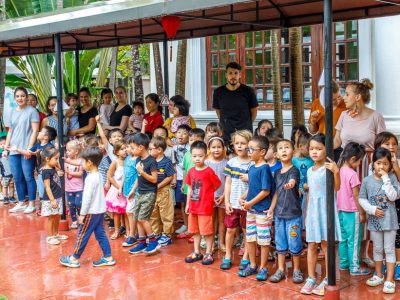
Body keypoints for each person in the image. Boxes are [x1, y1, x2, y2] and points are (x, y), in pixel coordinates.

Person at [59, 147, 116, 268]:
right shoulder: (99, 175)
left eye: (83, 162)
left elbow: (87, 199)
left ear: (89, 163)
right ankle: (108, 257)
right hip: (99, 210)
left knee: (82, 234)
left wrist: (82, 214)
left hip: (91, 212)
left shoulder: (90, 178)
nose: (82, 164)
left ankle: (74, 258)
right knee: (100, 234)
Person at [300, 134, 341, 296]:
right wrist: (307, 213)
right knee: (311, 245)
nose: (314, 152)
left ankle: (327, 277)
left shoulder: (329, 168)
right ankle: (311, 278)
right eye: (311, 149)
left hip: (326, 210)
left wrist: (336, 172)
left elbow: (336, 188)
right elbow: (310, 194)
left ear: (326, 149)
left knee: (326, 245)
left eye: (318, 149)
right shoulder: (310, 170)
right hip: (313, 212)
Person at [359, 148, 400, 294]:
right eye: (378, 163)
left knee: (389, 250)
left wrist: (386, 179)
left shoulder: (392, 178)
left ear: (390, 166)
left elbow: (393, 196)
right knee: (377, 248)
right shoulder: (367, 181)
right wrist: (371, 209)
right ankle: (379, 275)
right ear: (373, 164)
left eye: (385, 164)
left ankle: (390, 280)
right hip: (375, 221)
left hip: (390, 222)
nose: (381, 167)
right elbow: (361, 198)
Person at [268, 139, 304, 284]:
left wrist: (291, 184)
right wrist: (271, 209)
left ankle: (296, 269)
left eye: (287, 147)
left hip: (293, 214)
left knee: (294, 242)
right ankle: (281, 269)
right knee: (280, 243)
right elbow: (276, 192)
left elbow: (293, 180)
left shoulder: (294, 170)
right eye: (281, 148)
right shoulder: (276, 173)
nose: (284, 150)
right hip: (279, 215)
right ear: (276, 154)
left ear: (293, 151)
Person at [238, 135, 273, 281]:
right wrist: (243, 197)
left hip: (261, 210)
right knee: (250, 238)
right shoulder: (252, 167)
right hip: (251, 210)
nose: (249, 151)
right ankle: (252, 265)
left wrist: (250, 203)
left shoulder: (264, 168)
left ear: (263, 152)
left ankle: (263, 267)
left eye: (252, 149)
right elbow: (252, 186)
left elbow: (266, 191)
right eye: (248, 149)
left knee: (263, 241)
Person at [220, 130, 253, 271]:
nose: (239, 146)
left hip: (247, 204)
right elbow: (227, 183)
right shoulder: (231, 162)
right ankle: (228, 255)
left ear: (249, 145)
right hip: (233, 203)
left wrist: (249, 178)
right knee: (230, 230)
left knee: (247, 231)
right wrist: (226, 201)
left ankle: (246, 256)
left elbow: (256, 184)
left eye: (243, 143)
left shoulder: (253, 163)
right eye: (237, 143)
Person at [184, 141, 221, 265]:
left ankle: (209, 252)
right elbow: (189, 187)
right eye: (194, 156)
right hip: (193, 207)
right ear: (191, 156)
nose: (197, 158)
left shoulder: (209, 171)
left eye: (200, 156)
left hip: (205, 208)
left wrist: (208, 194)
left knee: (207, 231)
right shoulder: (191, 171)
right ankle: (196, 251)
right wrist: (188, 203)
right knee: (195, 231)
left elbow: (217, 184)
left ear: (206, 155)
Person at [336, 142, 370, 276]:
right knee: (354, 241)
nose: (359, 164)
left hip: (341, 211)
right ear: (352, 159)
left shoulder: (339, 171)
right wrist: (362, 213)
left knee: (343, 240)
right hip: (353, 212)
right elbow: (357, 196)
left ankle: (343, 264)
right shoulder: (352, 174)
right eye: (359, 161)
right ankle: (354, 268)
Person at [5, 87, 39, 214]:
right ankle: (21, 203)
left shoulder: (32, 111)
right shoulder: (12, 112)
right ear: (15, 98)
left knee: (28, 176)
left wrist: (29, 149)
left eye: (23, 96)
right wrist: (6, 148)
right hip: (13, 149)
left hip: (26, 149)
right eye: (18, 96)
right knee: (17, 177)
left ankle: (31, 203)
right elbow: (10, 132)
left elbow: (35, 131)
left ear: (26, 97)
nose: (20, 98)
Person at [373, 132, 400, 280]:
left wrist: (396, 167)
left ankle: (397, 265)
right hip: (382, 208)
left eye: (394, 144)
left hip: (397, 204)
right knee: (381, 240)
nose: (391, 147)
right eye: (387, 144)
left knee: (396, 238)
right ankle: (383, 264)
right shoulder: (378, 165)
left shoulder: (396, 163)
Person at [128, 133, 160, 255]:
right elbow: (138, 176)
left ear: (141, 147)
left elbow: (154, 179)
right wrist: (132, 190)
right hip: (140, 192)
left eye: (132, 147)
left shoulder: (151, 161)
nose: (130, 150)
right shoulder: (138, 159)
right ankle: (142, 242)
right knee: (137, 217)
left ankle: (153, 241)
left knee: (143, 218)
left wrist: (142, 171)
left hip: (149, 193)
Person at [212, 62, 258, 143]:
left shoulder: (248, 91)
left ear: (240, 75)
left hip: (245, 133)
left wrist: (247, 124)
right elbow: (219, 112)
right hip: (226, 133)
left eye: (236, 73)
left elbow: (254, 111)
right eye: (230, 73)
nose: (233, 76)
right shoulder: (218, 92)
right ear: (226, 75)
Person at [179, 128, 206, 240]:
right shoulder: (186, 155)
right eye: (191, 140)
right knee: (186, 207)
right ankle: (190, 228)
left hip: (199, 188)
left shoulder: (204, 155)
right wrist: (183, 184)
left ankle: (198, 232)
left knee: (197, 210)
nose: (193, 142)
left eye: (196, 140)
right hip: (188, 187)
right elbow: (185, 170)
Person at [149, 136, 176, 247]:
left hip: (164, 191)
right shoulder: (150, 161)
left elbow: (170, 176)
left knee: (166, 214)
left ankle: (167, 235)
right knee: (153, 213)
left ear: (159, 149)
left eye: (151, 149)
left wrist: (158, 185)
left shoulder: (166, 162)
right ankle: (156, 232)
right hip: (152, 192)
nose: (149, 151)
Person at [205, 136, 228, 252]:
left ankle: (221, 242)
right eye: (213, 147)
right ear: (209, 149)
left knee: (222, 220)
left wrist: (224, 195)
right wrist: (210, 196)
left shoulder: (227, 163)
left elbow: (229, 182)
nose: (216, 150)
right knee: (211, 220)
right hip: (210, 197)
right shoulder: (206, 163)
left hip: (223, 196)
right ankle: (212, 242)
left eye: (219, 147)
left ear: (224, 148)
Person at [41, 147, 67, 245]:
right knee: (51, 218)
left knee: (57, 216)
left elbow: (59, 169)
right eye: (55, 159)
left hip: (58, 197)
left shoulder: (52, 168)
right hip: (51, 199)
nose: (57, 161)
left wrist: (56, 163)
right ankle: (50, 236)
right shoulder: (45, 171)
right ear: (47, 159)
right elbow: (47, 187)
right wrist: (52, 200)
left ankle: (56, 234)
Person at [105, 141, 128, 240]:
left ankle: (128, 230)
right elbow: (110, 176)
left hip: (126, 190)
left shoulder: (128, 161)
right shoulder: (115, 162)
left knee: (126, 211)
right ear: (116, 152)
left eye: (125, 148)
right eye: (122, 149)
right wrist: (118, 187)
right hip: (117, 190)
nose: (125, 151)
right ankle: (117, 230)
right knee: (117, 212)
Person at [173, 125, 191, 237]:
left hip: (189, 179)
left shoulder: (191, 147)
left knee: (190, 203)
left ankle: (191, 225)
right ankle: (185, 224)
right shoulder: (173, 148)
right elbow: (174, 165)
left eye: (184, 133)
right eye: (179, 132)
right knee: (182, 203)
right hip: (179, 178)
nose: (181, 135)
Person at [123, 134, 139, 247]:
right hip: (127, 189)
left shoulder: (138, 160)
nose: (127, 149)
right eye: (127, 147)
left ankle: (132, 235)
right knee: (131, 212)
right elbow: (125, 173)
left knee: (130, 211)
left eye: (130, 147)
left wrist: (133, 189)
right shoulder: (127, 158)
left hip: (135, 190)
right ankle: (135, 233)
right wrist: (120, 186)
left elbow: (139, 176)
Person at [64, 140, 84, 229]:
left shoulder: (80, 161)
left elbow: (80, 174)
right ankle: (74, 221)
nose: (67, 152)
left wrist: (69, 172)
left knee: (79, 204)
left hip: (79, 188)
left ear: (76, 151)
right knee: (71, 205)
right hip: (68, 188)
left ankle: (81, 218)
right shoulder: (65, 161)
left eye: (69, 150)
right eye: (66, 150)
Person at [0, 136, 15, 204]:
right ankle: (5, 197)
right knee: (5, 186)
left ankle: (11, 196)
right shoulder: (0, 155)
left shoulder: (11, 154)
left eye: (4, 144)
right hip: (4, 174)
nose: (3, 146)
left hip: (12, 173)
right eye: (1, 144)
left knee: (11, 185)